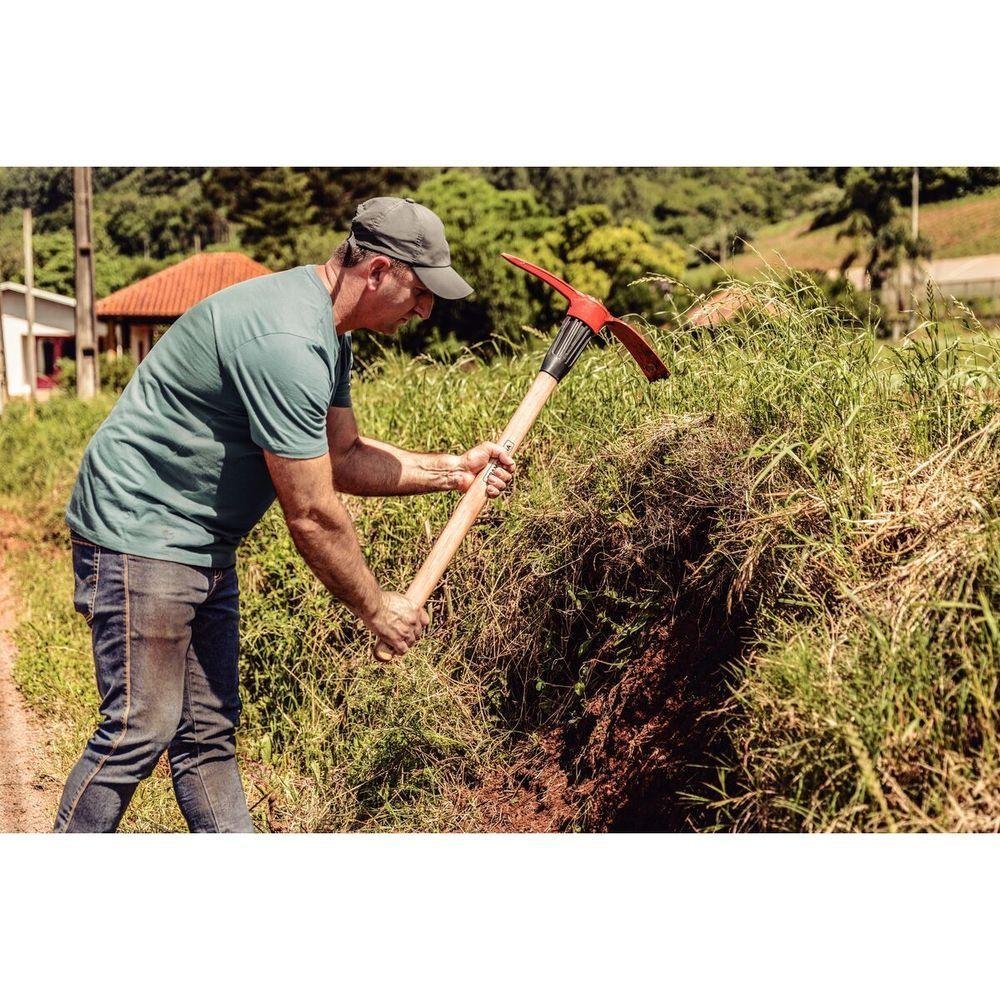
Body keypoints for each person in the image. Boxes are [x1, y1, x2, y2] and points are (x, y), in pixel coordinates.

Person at [53, 196, 515, 833]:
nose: (426, 309)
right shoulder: (287, 340)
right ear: (377, 270)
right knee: (140, 727)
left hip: (200, 538)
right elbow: (313, 513)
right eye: (420, 291)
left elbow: (342, 457)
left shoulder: (328, 331)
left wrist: (453, 471)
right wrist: (377, 610)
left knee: (206, 736)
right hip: (142, 525)